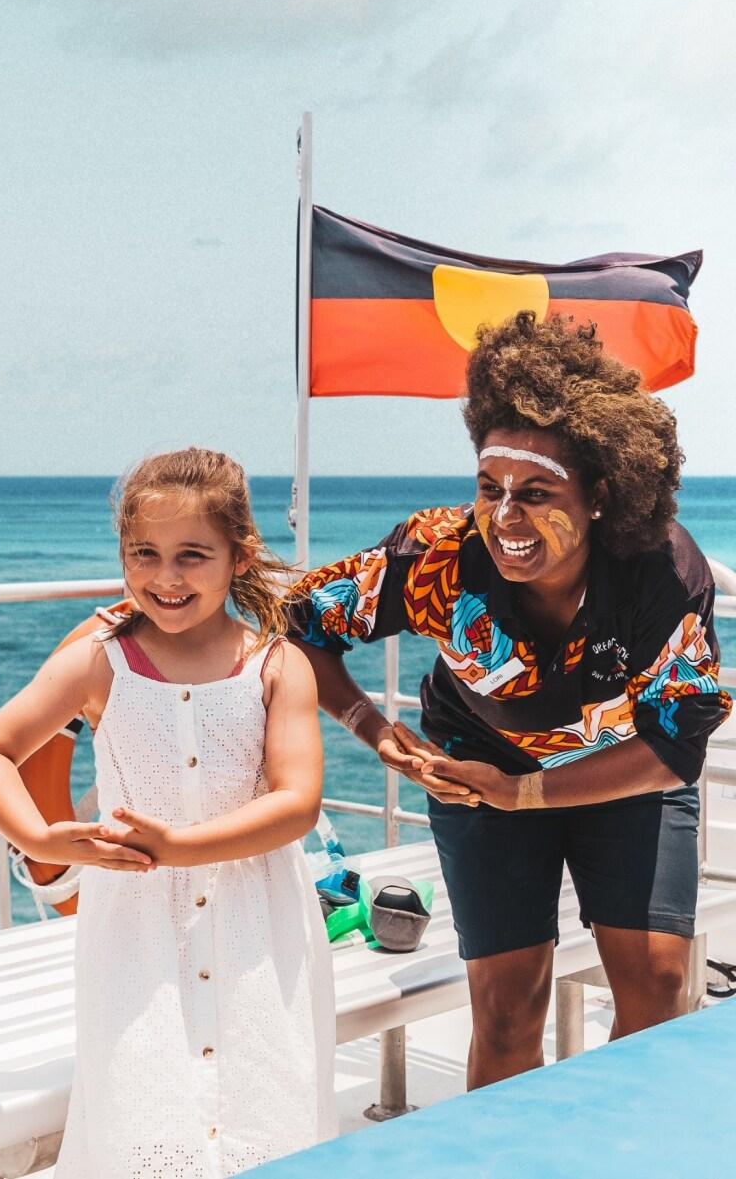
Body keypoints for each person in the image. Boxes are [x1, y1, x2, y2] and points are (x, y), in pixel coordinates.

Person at [286, 311, 732, 1090]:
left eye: (535, 492)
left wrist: (529, 790)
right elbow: (301, 620)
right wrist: (371, 725)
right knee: (505, 1010)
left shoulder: (661, 572)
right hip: (478, 776)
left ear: (598, 493)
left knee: (659, 991)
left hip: (626, 777)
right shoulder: (437, 556)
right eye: (490, 488)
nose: (505, 516)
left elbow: (673, 746)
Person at [0, 448, 336, 1178]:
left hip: (257, 929)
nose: (166, 578)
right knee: (142, 1098)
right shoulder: (98, 659)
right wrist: (40, 836)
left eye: (192, 555)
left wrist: (181, 844)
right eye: (145, 553)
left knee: (266, 1095)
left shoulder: (276, 664)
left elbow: (297, 803)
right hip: (134, 933)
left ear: (238, 555)